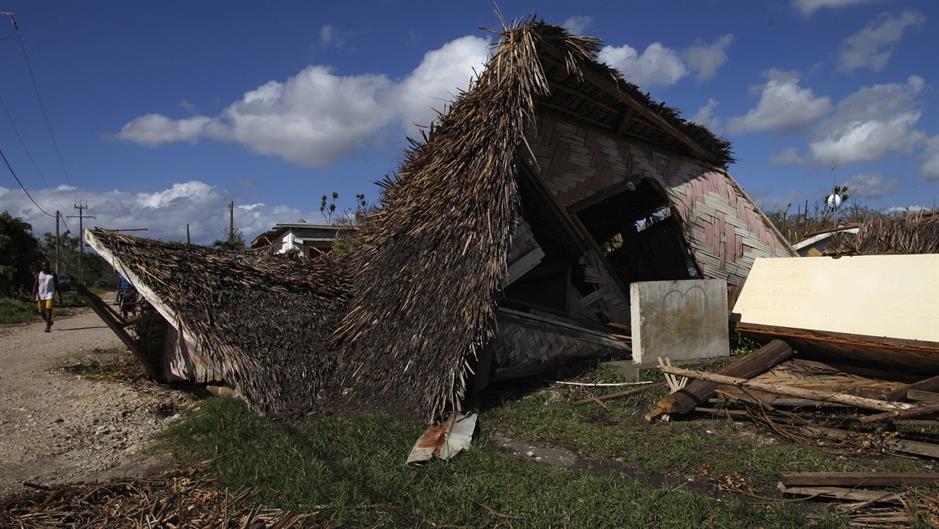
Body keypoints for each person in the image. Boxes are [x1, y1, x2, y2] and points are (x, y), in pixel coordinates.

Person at [32, 261, 63, 333]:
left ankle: (48, 327)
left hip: (50, 294)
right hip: (40, 295)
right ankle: (49, 321)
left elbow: (57, 286)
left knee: (49, 309)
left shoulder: (53, 274)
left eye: (46, 265)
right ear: (42, 266)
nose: (45, 267)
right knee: (40, 311)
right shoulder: (39, 274)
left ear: (49, 266)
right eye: (43, 266)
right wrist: (33, 295)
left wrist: (60, 297)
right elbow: (35, 285)